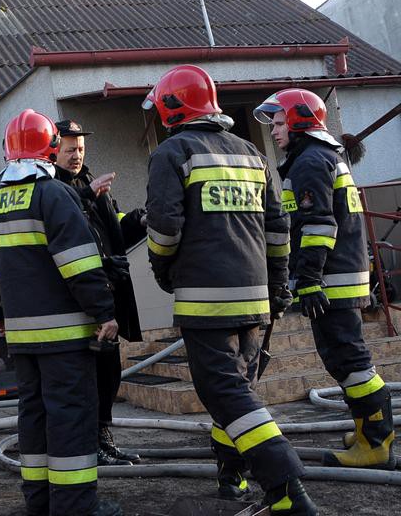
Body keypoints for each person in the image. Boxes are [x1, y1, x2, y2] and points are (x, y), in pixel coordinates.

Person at [142, 65, 316, 515]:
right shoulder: (248, 153)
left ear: (170, 109)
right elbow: (279, 229)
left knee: (224, 391)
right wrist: (278, 286)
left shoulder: (172, 152)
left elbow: (163, 228)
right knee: (237, 386)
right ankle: (230, 476)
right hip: (256, 297)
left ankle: (286, 490)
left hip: (205, 299)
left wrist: (163, 270)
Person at [0, 109, 121, 516]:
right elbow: (80, 264)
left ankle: (40, 504)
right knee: (71, 422)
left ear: (8, 152)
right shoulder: (53, 194)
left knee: (33, 422)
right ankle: (75, 508)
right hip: (66, 341)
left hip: (22, 341)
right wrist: (105, 311)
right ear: (50, 150)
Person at [254, 88, 395, 470]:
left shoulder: (309, 162)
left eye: (280, 123)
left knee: (347, 359)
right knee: (347, 357)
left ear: (299, 122)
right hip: (341, 275)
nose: (275, 131)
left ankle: (377, 442)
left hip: (330, 279)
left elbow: (317, 225)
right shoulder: (322, 156)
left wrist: (310, 279)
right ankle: (368, 430)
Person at [54, 118, 144, 466]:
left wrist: (140, 220)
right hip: (78, 302)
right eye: (69, 150)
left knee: (109, 373)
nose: (76, 156)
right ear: (53, 151)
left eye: (80, 149)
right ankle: (88, 444)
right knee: (86, 378)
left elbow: (113, 228)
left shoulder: (88, 181)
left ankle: (103, 438)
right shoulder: (52, 188)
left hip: (106, 298)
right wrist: (86, 195)